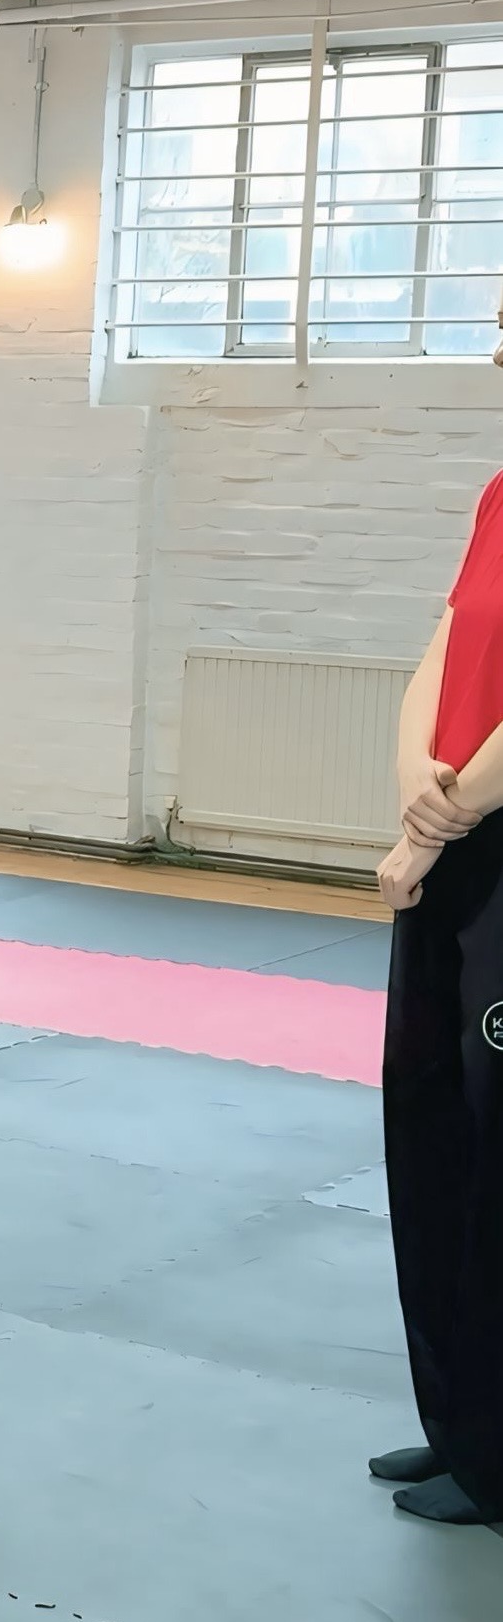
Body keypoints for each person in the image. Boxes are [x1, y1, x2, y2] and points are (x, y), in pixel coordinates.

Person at [371, 309, 503, 1523]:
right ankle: (456, 1422)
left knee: (491, 1140)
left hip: (487, 836)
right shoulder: (497, 490)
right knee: (424, 1123)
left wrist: (429, 824)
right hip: (456, 830)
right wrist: (412, 770)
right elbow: (441, 646)